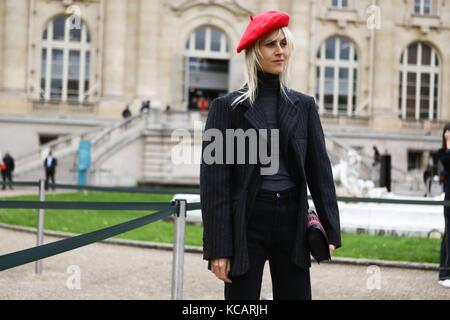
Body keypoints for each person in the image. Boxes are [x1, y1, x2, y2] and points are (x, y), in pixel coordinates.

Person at [200, 10, 341, 300]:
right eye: (271, 44)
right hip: (247, 220)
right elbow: (215, 186)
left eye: (283, 43)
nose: (280, 51)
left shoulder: (303, 106)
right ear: (254, 52)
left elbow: (320, 172)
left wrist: (330, 229)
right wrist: (218, 249)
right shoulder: (226, 109)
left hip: (292, 219)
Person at [437, 123, 450, 288]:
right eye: (447, 131)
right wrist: (448, 145)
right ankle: (444, 273)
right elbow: (448, 162)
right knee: (448, 237)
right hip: (449, 201)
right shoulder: (442, 153)